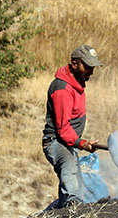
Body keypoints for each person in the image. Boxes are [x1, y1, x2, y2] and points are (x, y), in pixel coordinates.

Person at [42, 44, 102, 209]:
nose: (90, 72)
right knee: (70, 176)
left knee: (76, 188)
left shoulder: (77, 83)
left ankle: (58, 212)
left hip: (66, 143)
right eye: (87, 67)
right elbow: (63, 129)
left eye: (92, 67)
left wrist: (80, 143)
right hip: (56, 142)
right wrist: (83, 143)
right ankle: (71, 208)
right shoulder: (63, 89)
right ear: (74, 64)